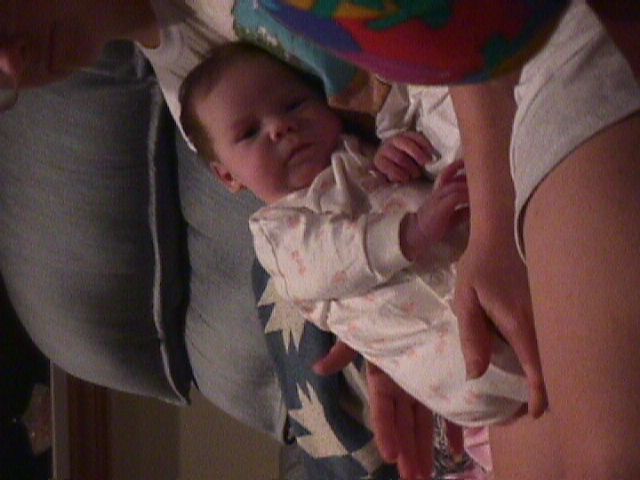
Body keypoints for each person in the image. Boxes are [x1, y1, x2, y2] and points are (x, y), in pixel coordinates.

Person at [3, 1, 640, 478]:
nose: (10, 63)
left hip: (525, 72)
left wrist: (495, 229)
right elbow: (333, 208)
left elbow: (463, 19)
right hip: (459, 212)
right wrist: (390, 331)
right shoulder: (183, 85)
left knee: (609, 462)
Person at [180, 38, 529, 443]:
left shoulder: (354, 153)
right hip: (449, 361)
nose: (279, 127)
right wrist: (413, 231)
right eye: (249, 132)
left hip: (496, 278)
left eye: (293, 105)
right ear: (227, 176)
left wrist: (393, 156)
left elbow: (396, 177)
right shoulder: (276, 235)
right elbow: (335, 258)